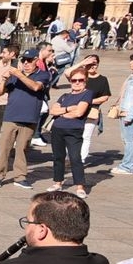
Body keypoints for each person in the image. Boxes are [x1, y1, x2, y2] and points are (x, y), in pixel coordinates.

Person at [0, 48, 50, 190]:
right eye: (23, 60)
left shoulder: (43, 75)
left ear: (36, 61)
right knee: (4, 147)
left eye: (29, 61)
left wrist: (18, 74)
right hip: (11, 116)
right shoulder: (15, 76)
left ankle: (20, 176)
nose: (26, 63)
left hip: (29, 118)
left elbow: (35, 87)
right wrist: (4, 80)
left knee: (22, 148)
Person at [46, 68, 93, 197]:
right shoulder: (65, 96)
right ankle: (58, 182)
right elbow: (52, 111)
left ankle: (80, 186)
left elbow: (79, 112)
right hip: (57, 129)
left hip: (74, 130)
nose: (77, 83)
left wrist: (62, 112)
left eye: (80, 80)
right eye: (74, 80)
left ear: (85, 81)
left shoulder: (87, 94)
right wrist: (67, 109)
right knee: (58, 157)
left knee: (75, 157)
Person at [110, 53, 133, 176]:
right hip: (125, 110)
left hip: (129, 112)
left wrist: (130, 115)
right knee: (128, 140)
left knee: (129, 141)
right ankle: (131, 164)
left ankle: (127, 166)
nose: (130, 63)